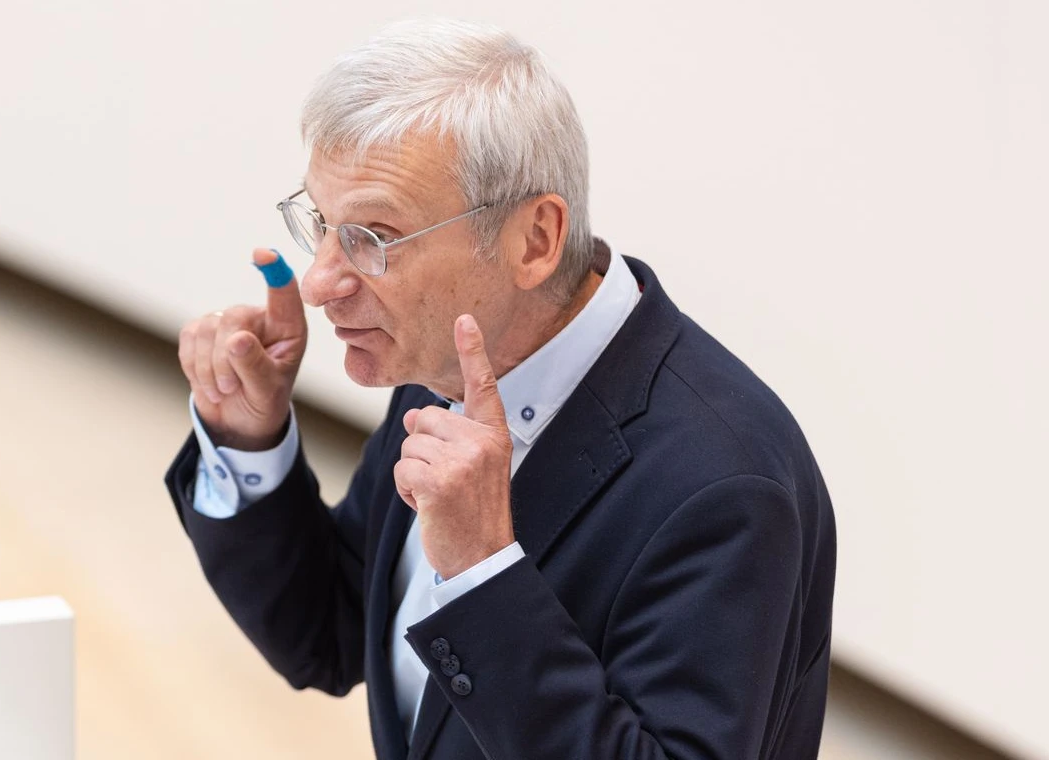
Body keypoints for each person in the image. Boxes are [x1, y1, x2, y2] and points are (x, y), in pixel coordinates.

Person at [164, 18, 836, 760]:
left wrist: (483, 571)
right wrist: (249, 439)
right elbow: (331, 631)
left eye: (374, 239)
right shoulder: (447, 369)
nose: (322, 282)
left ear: (535, 241)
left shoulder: (723, 484)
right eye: (321, 224)